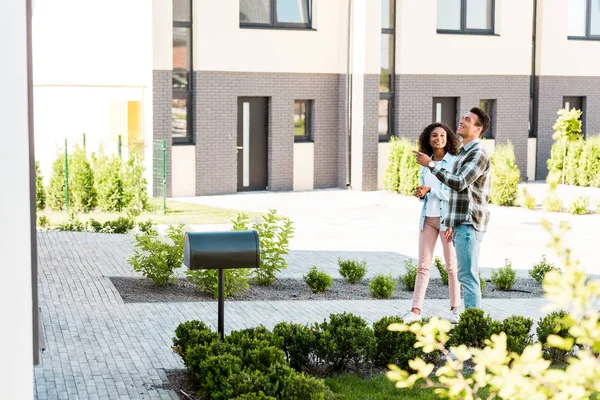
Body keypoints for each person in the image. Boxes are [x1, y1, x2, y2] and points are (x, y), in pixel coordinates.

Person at [413, 107, 491, 310]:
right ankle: (469, 325)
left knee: (466, 277)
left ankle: (473, 329)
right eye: (463, 117)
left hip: (469, 222)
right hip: (457, 223)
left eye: (467, 119)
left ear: (478, 128)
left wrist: (431, 165)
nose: (462, 121)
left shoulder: (478, 153)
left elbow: (459, 183)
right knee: (464, 275)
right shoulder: (465, 152)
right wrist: (448, 222)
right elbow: (456, 194)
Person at [402, 123, 461, 324]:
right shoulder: (425, 164)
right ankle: (415, 311)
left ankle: (455, 309)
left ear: (448, 138)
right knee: (423, 266)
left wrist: (430, 191)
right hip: (428, 219)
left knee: (452, 266)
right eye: (434, 135)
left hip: (447, 221)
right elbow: (425, 191)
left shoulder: (453, 162)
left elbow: (454, 192)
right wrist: (421, 193)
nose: (439, 138)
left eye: (442, 135)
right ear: (428, 139)